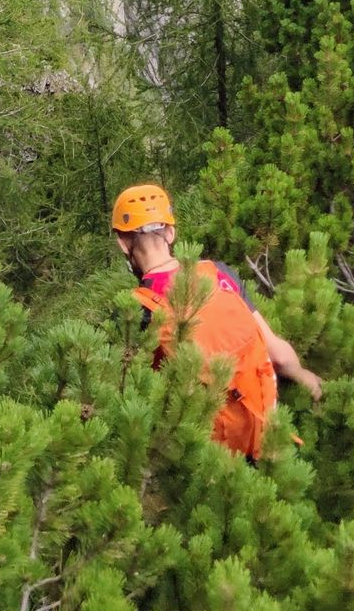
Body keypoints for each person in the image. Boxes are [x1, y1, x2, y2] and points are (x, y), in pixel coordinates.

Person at [111, 181, 321, 457]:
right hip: (268, 437)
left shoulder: (134, 308)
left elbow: (139, 398)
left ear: (123, 243)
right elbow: (277, 354)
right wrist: (311, 382)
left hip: (208, 459)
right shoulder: (218, 273)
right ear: (171, 233)